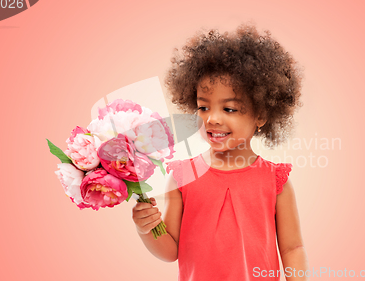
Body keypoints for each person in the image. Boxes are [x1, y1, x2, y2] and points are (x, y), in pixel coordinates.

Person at [132, 23, 309, 280]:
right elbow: (171, 250)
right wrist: (146, 229)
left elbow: (293, 248)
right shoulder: (182, 176)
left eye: (229, 109)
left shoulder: (275, 181)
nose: (212, 119)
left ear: (260, 114)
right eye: (203, 107)